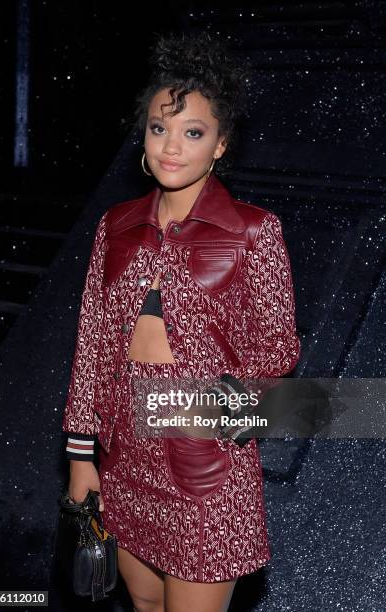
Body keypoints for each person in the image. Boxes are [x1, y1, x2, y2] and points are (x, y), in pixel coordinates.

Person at [61, 30, 301, 612]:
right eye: (159, 128)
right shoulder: (116, 227)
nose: (172, 147)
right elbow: (93, 342)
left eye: (193, 132)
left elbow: (278, 350)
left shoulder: (252, 231)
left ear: (220, 144)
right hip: (125, 458)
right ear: (142, 136)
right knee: (142, 604)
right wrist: (80, 454)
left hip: (204, 465)